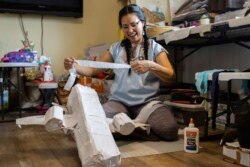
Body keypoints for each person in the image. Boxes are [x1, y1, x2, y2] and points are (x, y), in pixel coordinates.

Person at [64, 4, 178, 141]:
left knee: (170, 130)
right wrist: (74, 66)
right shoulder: (116, 48)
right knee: (94, 124)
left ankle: (128, 129)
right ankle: (135, 128)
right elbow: (93, 69)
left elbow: (171, 76)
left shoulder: (155, 48)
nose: (130, 30)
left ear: (143, 23)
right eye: (125, 27)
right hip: (119, 103)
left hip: (147, 103)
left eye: (134, 24)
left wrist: (151, 65)